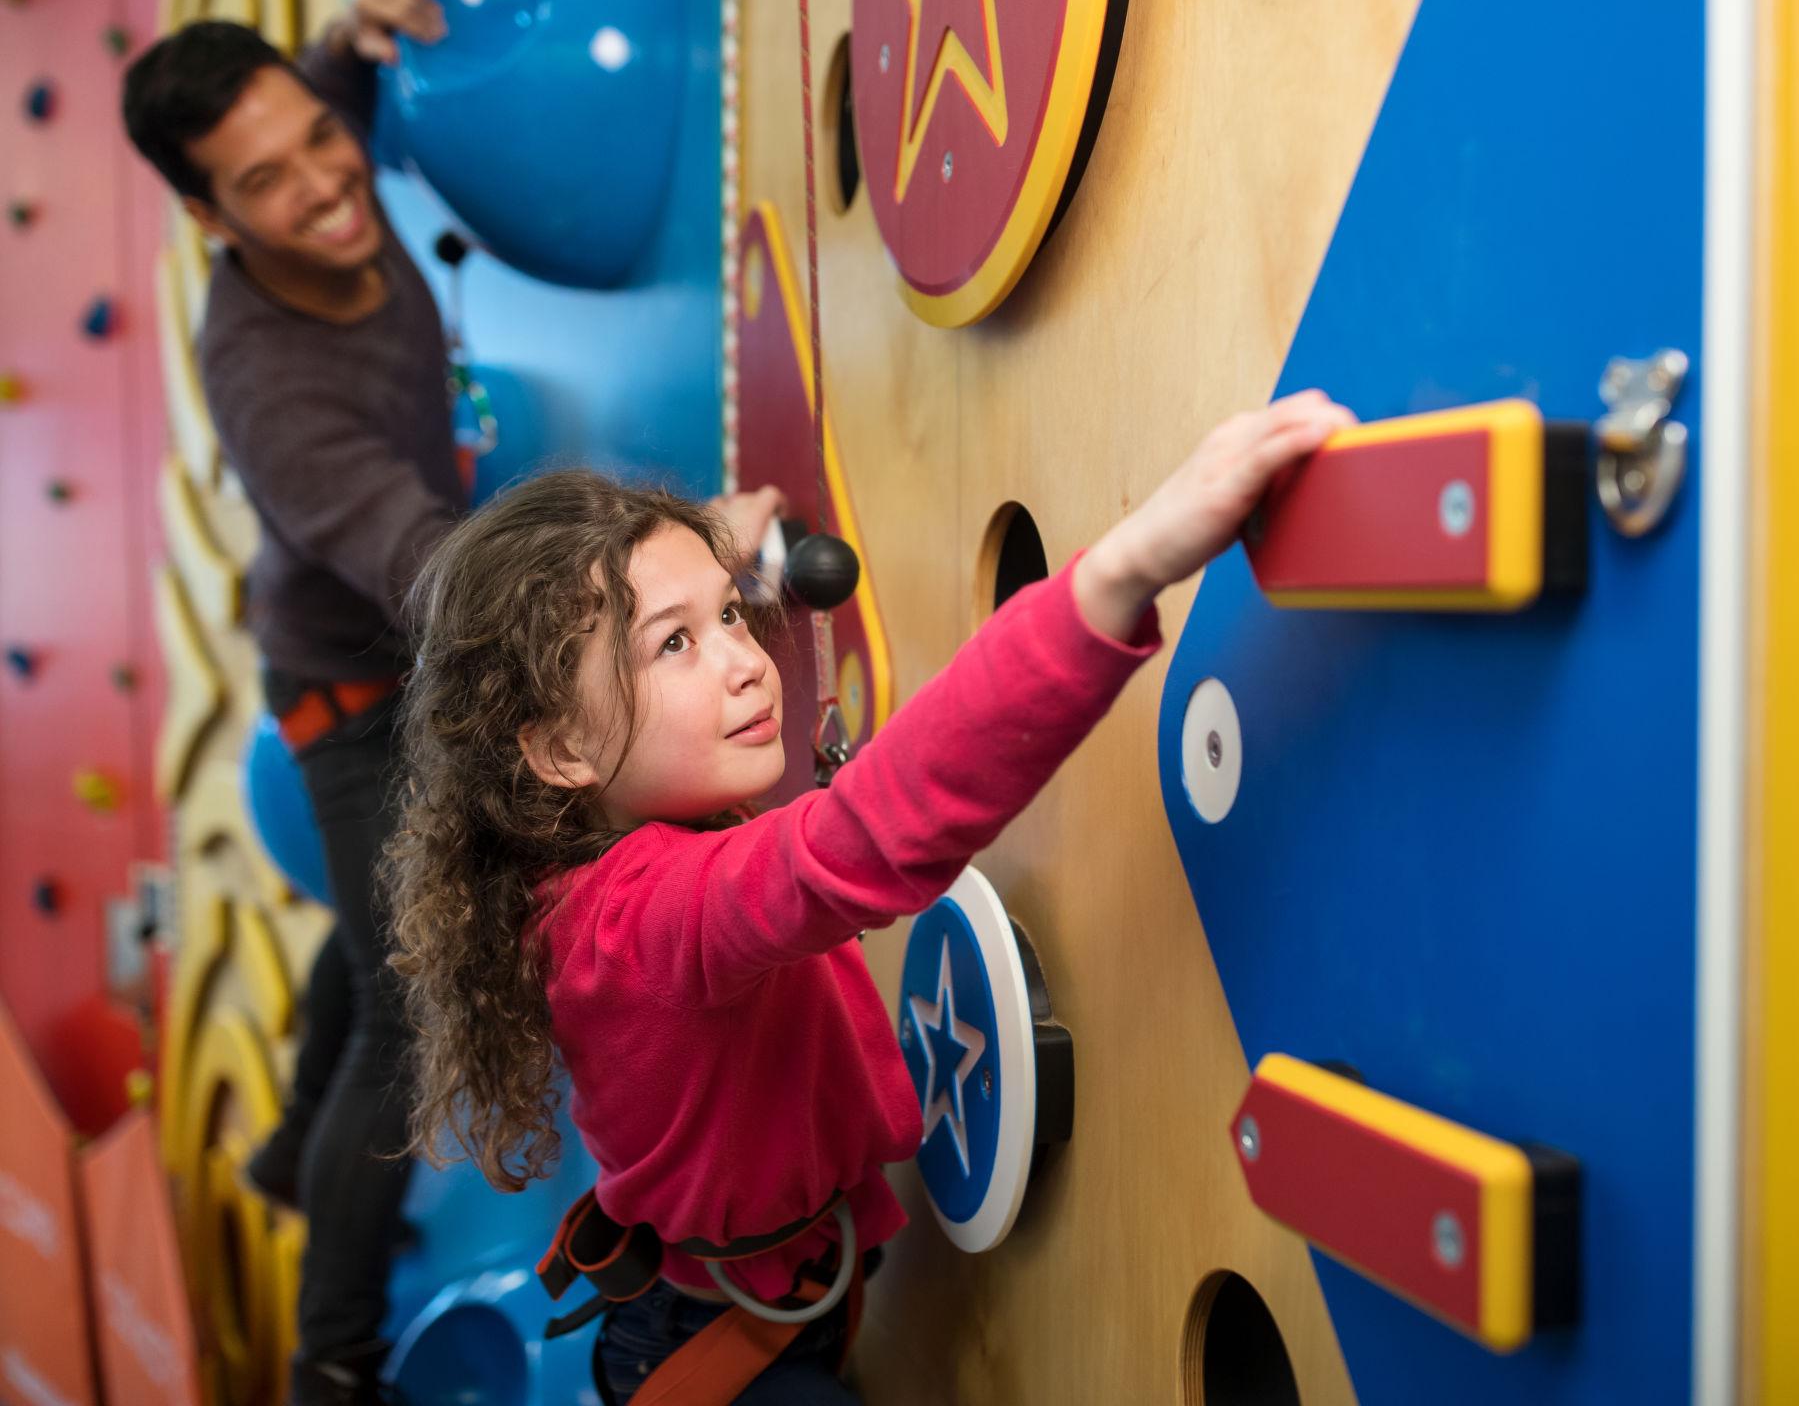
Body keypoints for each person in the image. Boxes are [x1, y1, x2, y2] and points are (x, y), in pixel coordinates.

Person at [385, 390, 1357, 1403]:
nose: (742, 664)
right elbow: (858, 838)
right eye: (674, 645)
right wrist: (1126, 568)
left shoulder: (631, 831)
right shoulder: (634, 922)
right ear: (556, 749)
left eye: (727, 613)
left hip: (769, 1292)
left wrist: (685, 575)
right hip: (720, 1346)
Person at [121, 0, 779, 1402]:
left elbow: (324, 91)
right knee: (407, 1008)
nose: (323, 183)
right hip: (360, 701)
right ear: (207, 217)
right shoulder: (277, 391)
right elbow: (431, 574)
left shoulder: (312, 129)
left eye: (317, 134)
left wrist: (360, 37)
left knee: (368, 957)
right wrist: (653, 571)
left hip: (382, 656)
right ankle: (331, 1362)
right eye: (268, 180)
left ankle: (294, 1149)